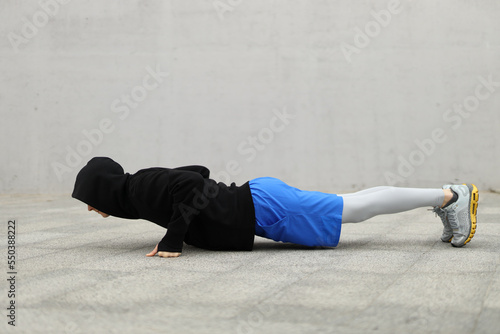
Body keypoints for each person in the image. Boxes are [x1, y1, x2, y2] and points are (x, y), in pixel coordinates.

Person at [72, 157, 479, 258]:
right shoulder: (139, 188)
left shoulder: (140, 184)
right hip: (260, 202)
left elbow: (191, 181)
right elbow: (196, 171)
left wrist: (175, 237)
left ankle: (450, 197)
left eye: (90, 199)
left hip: (263, 207)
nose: (91, 209)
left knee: (354, 209)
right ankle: (445, 198)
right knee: (350, 205)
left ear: (104, 190)